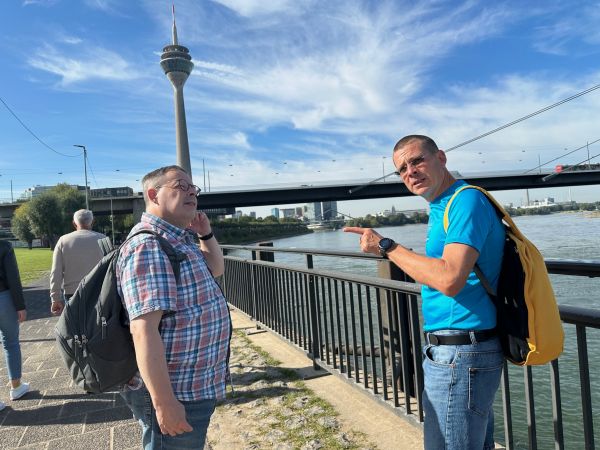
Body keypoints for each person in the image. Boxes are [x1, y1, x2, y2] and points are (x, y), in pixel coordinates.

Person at [344, 135, 505, 450]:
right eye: (402, 169)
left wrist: (387, 246)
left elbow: (449, 279)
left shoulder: (465, 201)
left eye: (417, 160)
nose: (410, 172)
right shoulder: (442, 204)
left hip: (461, 350)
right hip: (458, 349)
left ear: (441, 157)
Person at [116, 165, 231, 449]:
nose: (192, 192)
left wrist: (205, 233)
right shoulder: (149, 246)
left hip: (192, 385)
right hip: (177, 389)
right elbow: (143, 330)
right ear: (153, 195)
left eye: (193, 188)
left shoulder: (177, 239)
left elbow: (216, 269)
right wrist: (164, 402)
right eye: (181, 186)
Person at [49, 209, 105, 315]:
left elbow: (56, 272)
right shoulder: (103, 239)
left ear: (74, 223)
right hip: (99, 291)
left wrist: (55, 298)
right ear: (93, 222)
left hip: (72, 292)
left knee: (75, 324)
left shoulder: (63, 241)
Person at [0, 240, 31, 410]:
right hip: (4, 298)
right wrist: (20, 306)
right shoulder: (4, 246)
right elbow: (13, 277)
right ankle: (16, 386)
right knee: (11, 343)